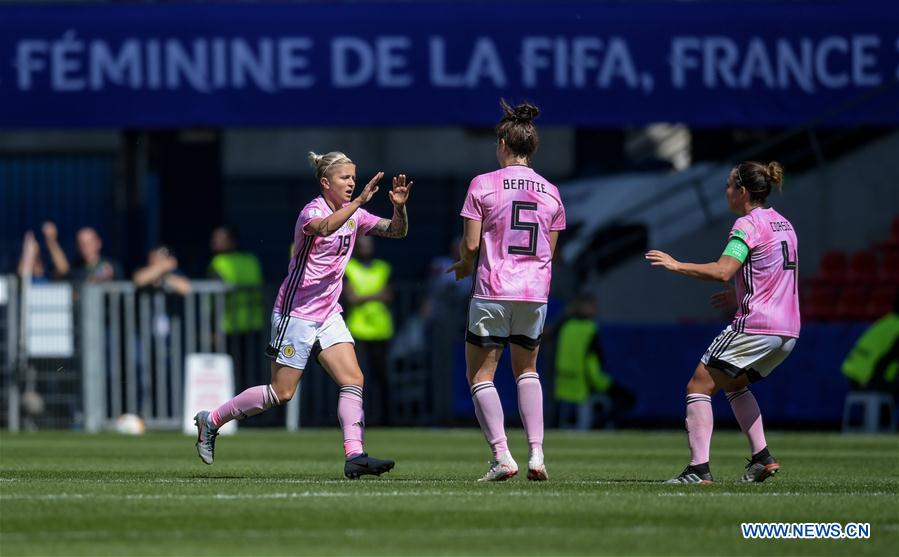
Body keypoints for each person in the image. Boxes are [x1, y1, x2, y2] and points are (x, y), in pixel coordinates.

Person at [193, 151, 413, 479]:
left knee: (353, 379)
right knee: (281, 393)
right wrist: (358, 204)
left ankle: (355, 456)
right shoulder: (313, 211)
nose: (352, 183)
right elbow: (324, 228)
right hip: (295, 313)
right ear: (326, 183)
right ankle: (211, 421)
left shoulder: (355, 214)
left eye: (353, 177)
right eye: (345, 178)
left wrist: (399, 206)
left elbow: (397, 231)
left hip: (328, 313)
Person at [645, 160, 798, 484]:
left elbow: (722, 270)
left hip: (757, 325)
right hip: (788, 331)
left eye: (729, 186)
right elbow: (771, 273)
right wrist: (741, 293)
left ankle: (698, 470)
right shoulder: (783, 224)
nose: (725, 192)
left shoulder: (747, 224)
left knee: (698, 386)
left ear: (742, 191)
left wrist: (676, 264)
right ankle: (762, 458)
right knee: (735, 384)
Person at [448, 100, 566, 482]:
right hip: (535, 291)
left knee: (481, 375)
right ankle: (537, 454)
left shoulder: (482, 184)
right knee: (527, 370)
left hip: (494, 286)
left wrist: (465, 266)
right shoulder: (551, 191)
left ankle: (502, 455)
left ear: (502, 142)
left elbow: (470, 245)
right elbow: (550, 248)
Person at [554, 292, 635, 429]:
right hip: (585, 381)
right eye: (593, 306)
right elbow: (592, 363)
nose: (596, 309)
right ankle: (603, 425)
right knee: (627, 399)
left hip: (564, 382)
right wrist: (598, 380)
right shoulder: (590, 329)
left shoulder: (567, 327)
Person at [343, 235, 394, 425]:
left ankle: (385, 418)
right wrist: (376, 295)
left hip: (381, 329)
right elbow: (351, 298)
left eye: (369, 245)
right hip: (358, 330)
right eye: (362, 245)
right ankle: (357, 418)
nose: (366, 248)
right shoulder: (349, 267)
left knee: (381, 377)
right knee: (356, 378)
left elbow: (388, 295)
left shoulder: (383, 267)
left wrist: (364, 296)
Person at [208, 226, 266, 389]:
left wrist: (211, 328)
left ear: (232, 242)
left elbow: (214, 298)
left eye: (219, 238)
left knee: (230, 372)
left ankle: (234, 408)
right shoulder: (251, 260)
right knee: (251, 370)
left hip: (229, 326)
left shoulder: (218, 263)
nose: (214, 242)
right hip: (254, 323)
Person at [842, 293, 899, 399]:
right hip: (867, 379)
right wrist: (874, 380)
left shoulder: (885, 321)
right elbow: (885, 361)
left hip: (852, 375)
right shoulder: (896, 328)